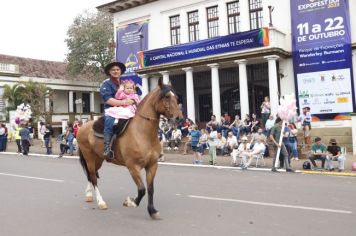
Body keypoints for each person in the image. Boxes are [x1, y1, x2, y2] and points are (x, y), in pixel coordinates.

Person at [100, 62, 134, 159]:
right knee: (109, 121)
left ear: (121, 71)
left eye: (117, 69)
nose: (116, 71)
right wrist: (124, 102)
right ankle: (106, 147)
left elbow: (132, 92)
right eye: (113, 70)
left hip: (127, 108)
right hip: (111, 109)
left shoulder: (125, 83)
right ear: (109, 72)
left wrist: (133, 100)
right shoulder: (106, 84)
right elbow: (108, 100)